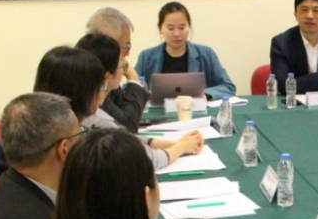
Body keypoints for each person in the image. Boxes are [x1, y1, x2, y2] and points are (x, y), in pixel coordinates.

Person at [40, 42, 202, 170]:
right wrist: (180, 147)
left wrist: (176, 144)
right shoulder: (83, 131)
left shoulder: (74, 117)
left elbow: (122, 135)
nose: (102, 89)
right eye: (98, 85)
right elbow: (142, 160)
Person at [136, 1, 236, 100]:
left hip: (195, 109)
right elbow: (132, 90)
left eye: (182, 27)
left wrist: (205, 95)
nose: (177, 34)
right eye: (170, 28)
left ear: (189, 27)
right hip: (158, 109)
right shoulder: (146, 57)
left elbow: (228, 86)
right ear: (160, 29)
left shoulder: (207, 54)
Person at [85, 7, 148, 131]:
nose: (128, 53)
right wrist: (133, 77)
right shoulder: (91, 76)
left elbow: (124, 111)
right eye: (126, 46)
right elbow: (127, 127)